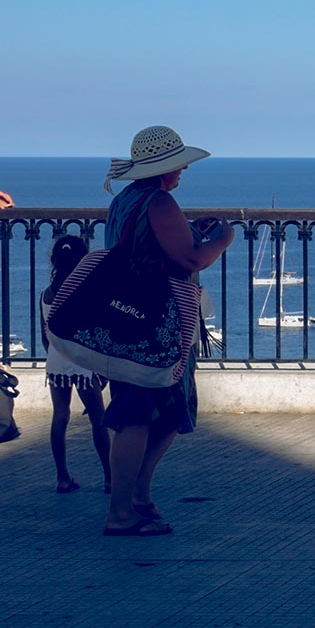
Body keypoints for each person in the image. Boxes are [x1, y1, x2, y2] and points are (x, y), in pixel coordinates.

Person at [101, 127, 234, 537]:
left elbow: (150, 246)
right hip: (156, 323)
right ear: (166, 168)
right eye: (180, 164)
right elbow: (190, 258)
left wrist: (190, 227)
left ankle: (137, 497)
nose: (185, 170)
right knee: (142, 414)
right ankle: (122, 511)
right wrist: (222, 238)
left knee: (157, 410)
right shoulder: (159, 201)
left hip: (127, 318)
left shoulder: (127, 199)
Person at [43, 235, 111, 494]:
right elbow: (95, 333)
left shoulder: (46, 295)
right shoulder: (85, 292)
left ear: (54, 261)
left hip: (56, 361)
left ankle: (62, 477)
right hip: (82, 362)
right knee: (98, 419)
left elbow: (45, 335)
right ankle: (109, 477)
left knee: (59, 417)